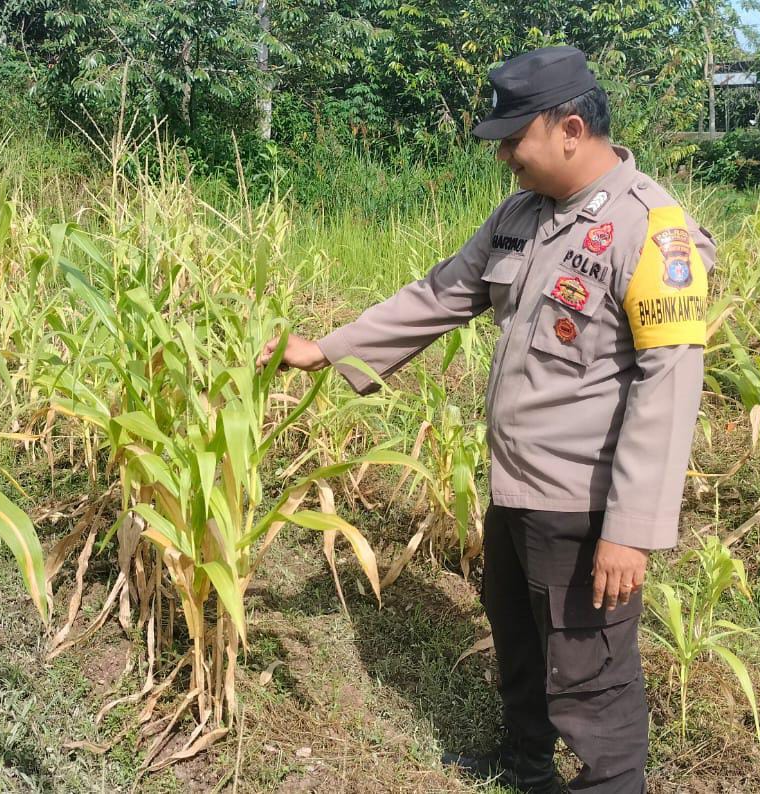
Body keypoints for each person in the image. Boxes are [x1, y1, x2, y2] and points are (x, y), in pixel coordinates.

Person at [256, 46, 715, 793]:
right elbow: (440, 293)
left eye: (512, 139)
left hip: (585, 506)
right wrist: (326, 351)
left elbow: (669, 388)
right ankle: (527, 769)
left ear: (569, 129)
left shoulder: (651, 233)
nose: (504, 155)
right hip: (516, 487)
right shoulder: (521, 215)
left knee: (590, 672)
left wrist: (630, 529)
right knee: (520, 641)